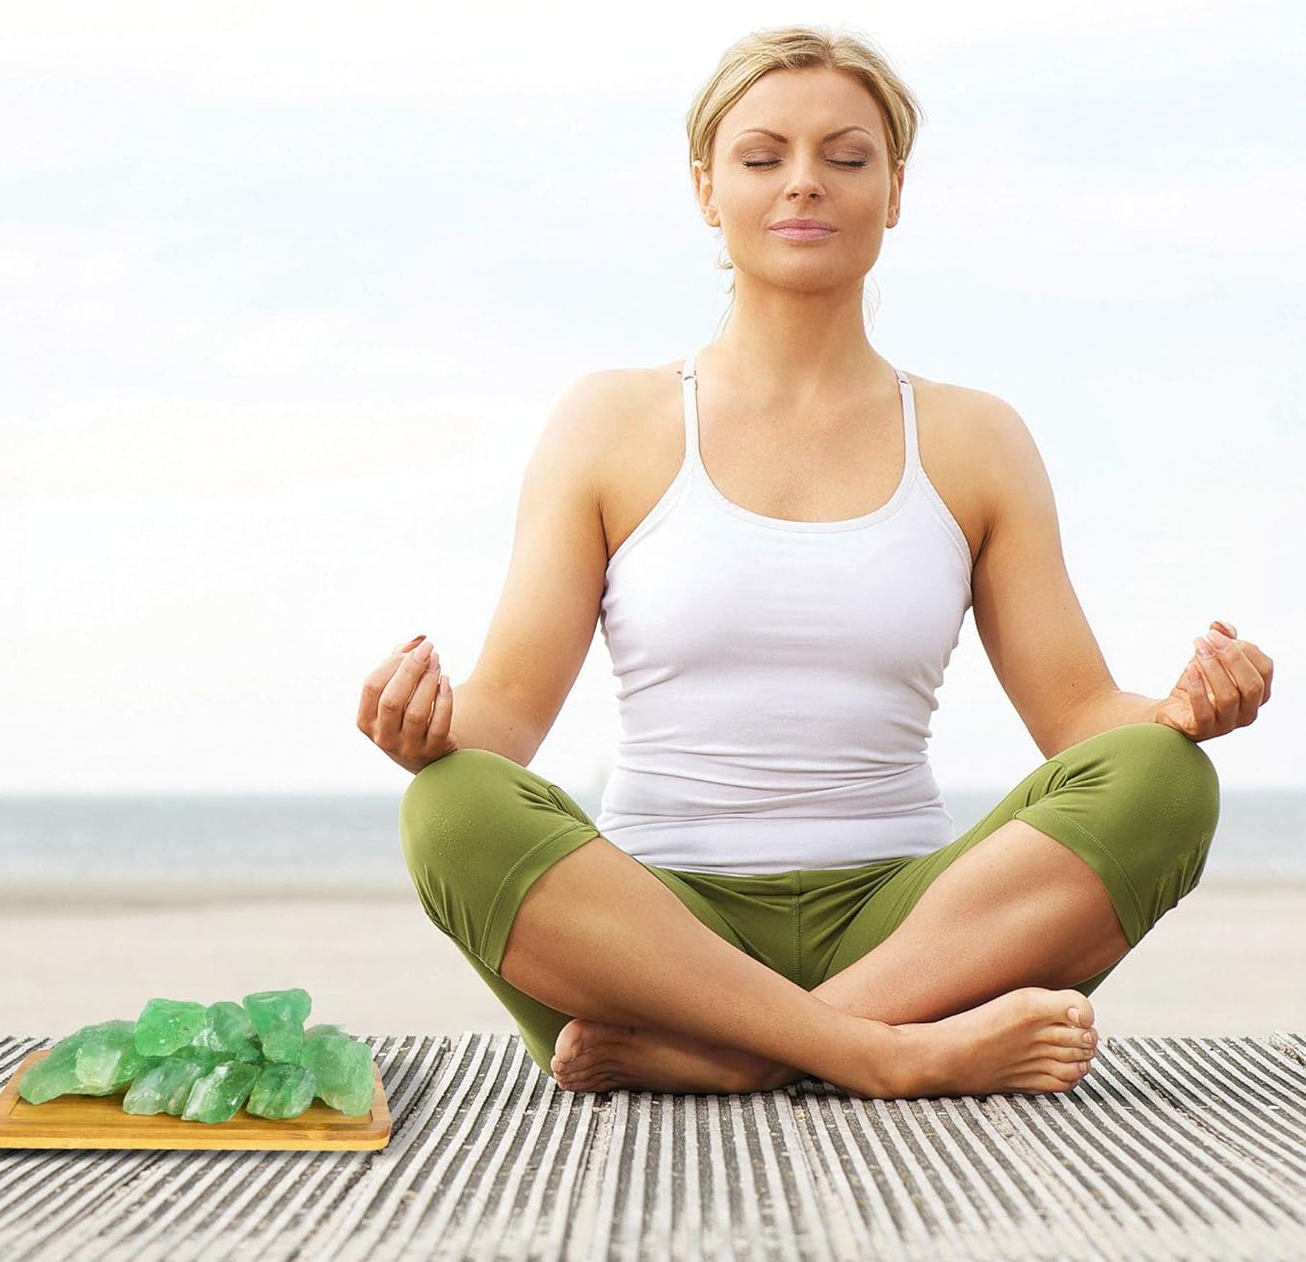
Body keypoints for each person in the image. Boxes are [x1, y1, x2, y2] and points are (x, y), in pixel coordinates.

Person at [357, 24, 1273, 1100]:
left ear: (892, 191)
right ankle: (883, 1053)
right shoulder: (609, 421)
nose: (804, 185)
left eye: (845, 158)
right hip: (656, 931)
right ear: (706, 190)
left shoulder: (975, 438)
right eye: (761, 158)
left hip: (912, 928)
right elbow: (504, 713)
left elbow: (1076, 715)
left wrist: (1182, 710)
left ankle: (736, 1055)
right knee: (448, 807)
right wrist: (418, 729)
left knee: (1164, 780)